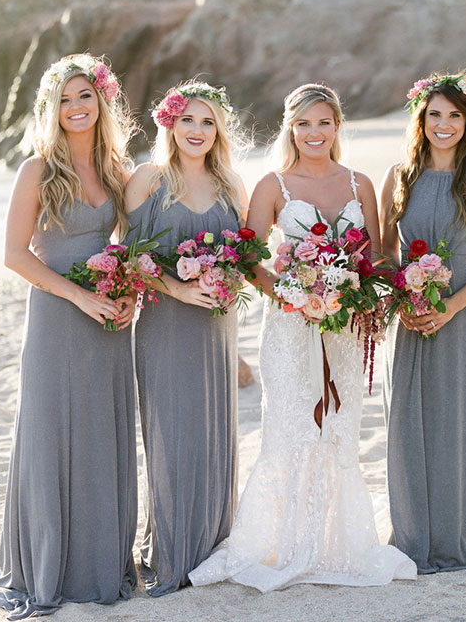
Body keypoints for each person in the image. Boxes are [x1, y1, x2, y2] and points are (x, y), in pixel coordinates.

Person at [189, 83, 416, 591]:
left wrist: (362, 291)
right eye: (304, 124)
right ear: (290, 128)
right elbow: (249, 257)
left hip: (344, 331)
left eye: (324, 123)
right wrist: (290, 292)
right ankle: (286, 542)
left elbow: (377, 255)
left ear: (337, 127)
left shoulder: (359, 184)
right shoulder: (273, 184)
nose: (315, 133)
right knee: (292, 427)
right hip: (291, 328)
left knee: (338, 429)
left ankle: (337, 543)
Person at [0, 54, 138, 619]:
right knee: (52, 433)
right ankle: (47, 566)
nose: (75, 108)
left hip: (109, 319)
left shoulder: (118, 169)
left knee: (102, 433)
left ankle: (97, 563)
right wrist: (78, 296)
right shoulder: (37, 170)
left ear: (102, 102)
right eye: (64, 99)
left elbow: (132, 243)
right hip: (57, 316)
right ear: (51, 108)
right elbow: (14, 255)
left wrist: (128, 290)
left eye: (85, 96)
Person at [379, 71, 466, 574]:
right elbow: (385, 250)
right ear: (421, 119)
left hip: (463, 314)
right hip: (410, 317)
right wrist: (403, 295)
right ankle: (414, 534)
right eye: (435, 114)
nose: (444, 123)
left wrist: (452, 305)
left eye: (455, 115)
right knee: (408, 421)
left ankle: (465, 533)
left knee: (457, 420)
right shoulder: (400, 176)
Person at [124, 80, 249, 596]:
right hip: (165, 324)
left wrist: (229, 280)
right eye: (187, 119)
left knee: (215, 431)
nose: (197, 130)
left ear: (218, 130)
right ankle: (175, 551)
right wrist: (176, 287)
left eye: (207, 121)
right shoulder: (148, 179)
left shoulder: (231, 184)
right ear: (169, 123)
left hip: (217, 325)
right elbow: (128, 255)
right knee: (172, 433)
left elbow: (244, 258)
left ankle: (214, 545)